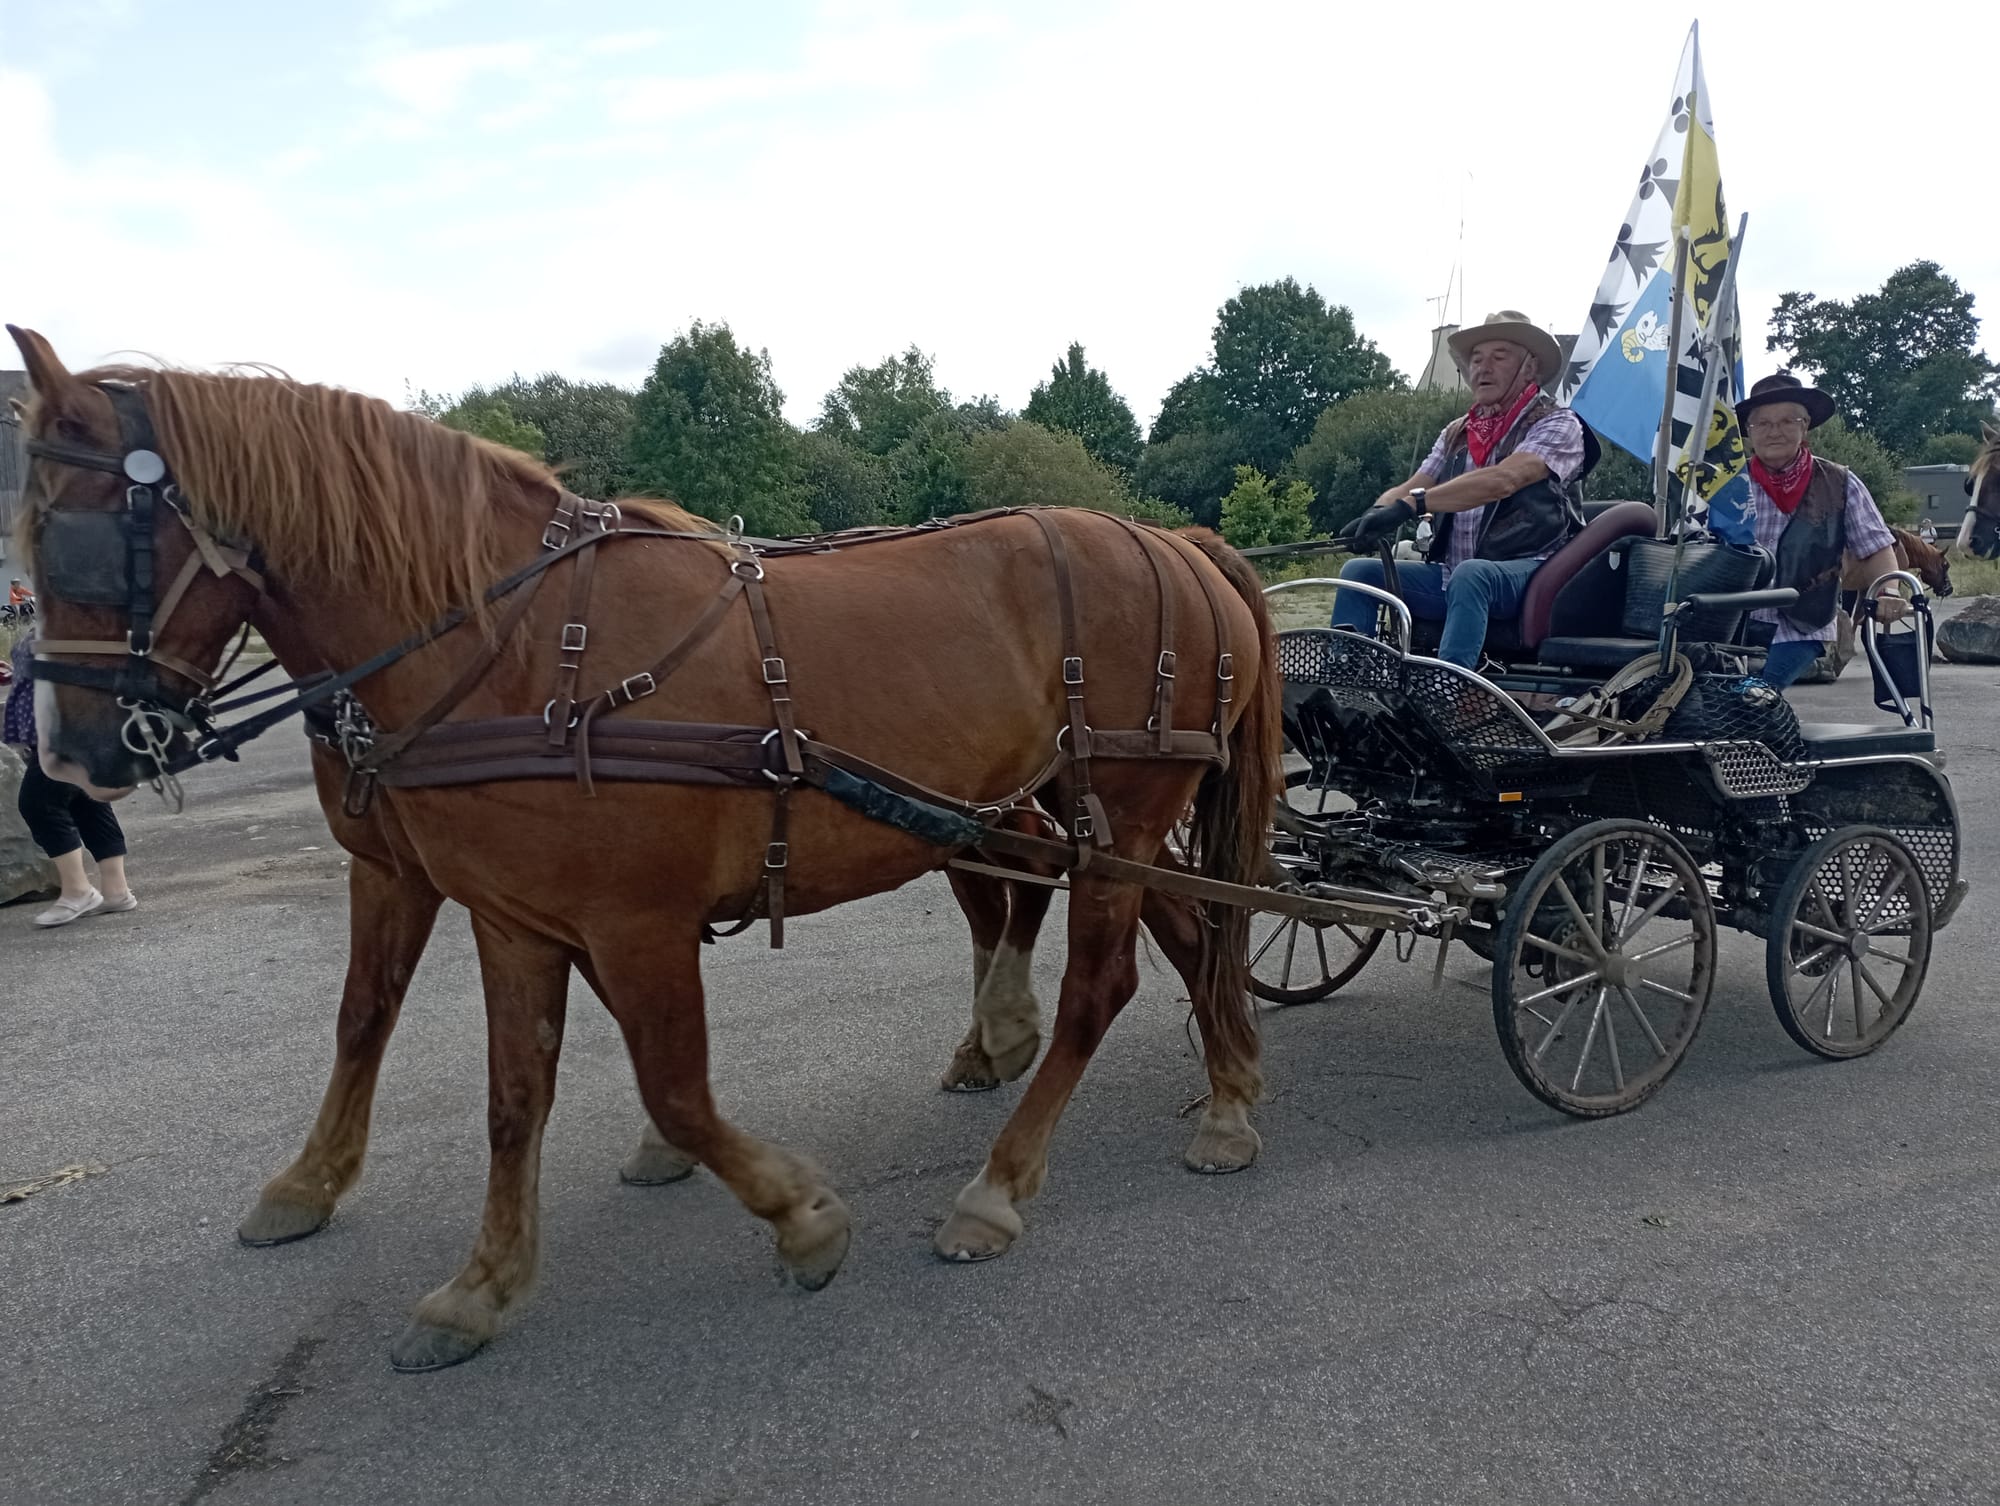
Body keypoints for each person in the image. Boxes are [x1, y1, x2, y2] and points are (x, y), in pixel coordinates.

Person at [1330, 310, 1588, 668]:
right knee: (1359, 573)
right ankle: (1347, 679)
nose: (1483, 368)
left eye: (1499, 357)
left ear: (1530, 367)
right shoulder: (1457, 432)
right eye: (1476, 359)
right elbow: (1415, 485)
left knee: (1473, 574)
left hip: (1531, 573)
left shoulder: (1558, 423)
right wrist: (1376, 513)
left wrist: (1411, 506)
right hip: (1454, 575)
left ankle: (1447, 689)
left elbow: (1503, 479)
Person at [1735, 373, 1902, 691]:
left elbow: (1876, 548)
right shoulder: (1728, 482)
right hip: (1733, 621)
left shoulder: (1840, 482)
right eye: (1763, 423)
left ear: (1805, 426)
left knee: (1755, 695)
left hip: (1803, 624)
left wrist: (1888, 592)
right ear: (1749, 430)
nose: (1774, 431)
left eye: (1787, 421)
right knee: (1718, 698)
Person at [4, 631, 140, 926]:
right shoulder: (52, 618)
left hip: (70, 728)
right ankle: (116, 891)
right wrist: (17, 672)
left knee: (38, 804)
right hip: (63, 728)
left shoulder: (78, 618)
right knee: (86, 803)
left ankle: (78, 891)